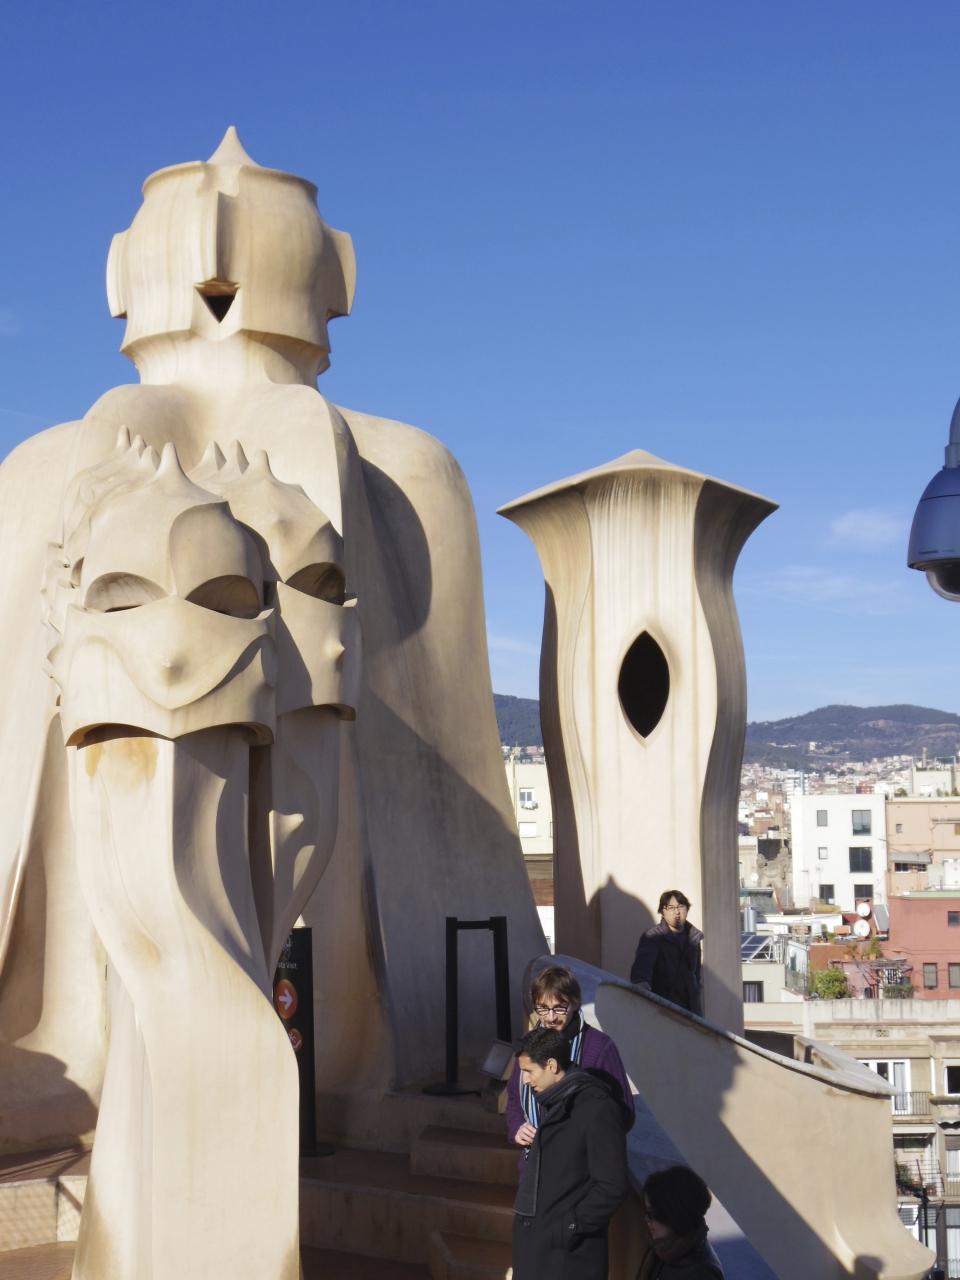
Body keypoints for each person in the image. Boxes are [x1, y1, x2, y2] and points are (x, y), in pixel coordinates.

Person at [512, 1027, 629, 1279]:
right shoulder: (555, 1101)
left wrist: (570, 1227)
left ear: (551, 1065)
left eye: (529, 1071)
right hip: (541, 1246)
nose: (525, 1080)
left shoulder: (597, 1108)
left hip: (568, 1256)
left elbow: (612, 1185)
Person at [506, 965, 635, 1152]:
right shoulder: (528, 1044)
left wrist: (585, 1140)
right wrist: (517, 1127)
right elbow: (513, 1096)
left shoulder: (600, 1047)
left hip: (582, 1161)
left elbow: (624, 1111)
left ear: (574, 1004)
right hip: (534, 1160)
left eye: (559, 1008)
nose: (551, 1017)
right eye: (543, 1008)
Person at [637, 1165, 724, 1279]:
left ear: (675, 1215)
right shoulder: (664, 1248)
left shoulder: (701, 1273)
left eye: (652, 1214)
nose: (647, 1219)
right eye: (646, 1211)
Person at [630, 890, 703, 1014]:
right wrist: (641, 983)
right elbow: (642, 968)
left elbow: (696, 975)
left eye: (681, 907)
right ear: (662, 911)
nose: (677, 912)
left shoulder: (694, 938)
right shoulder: (653, 936)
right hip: (663, 1008)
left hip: (691, 1009)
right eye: (671, 908)